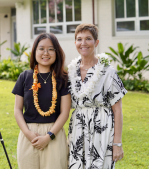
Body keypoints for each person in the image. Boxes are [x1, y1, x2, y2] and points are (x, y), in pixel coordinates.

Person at [67, 23, 127, 169]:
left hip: (102, 129)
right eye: (79, 39)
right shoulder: (70, 71)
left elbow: (117, 110)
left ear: (96, 42)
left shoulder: (108, 71)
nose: (83, 43)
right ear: (75, 42)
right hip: (77, 129)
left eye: (88, 39)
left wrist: (117, 143)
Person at [12, 33, 71, 169]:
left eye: (51, 49)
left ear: (57, 52)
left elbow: (64, 113)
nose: (46, 53)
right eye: (41, 48)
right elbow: (17, 109)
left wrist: (48, 136)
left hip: (54, 134)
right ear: (35, 52)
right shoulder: (25, 77)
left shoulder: (62, 79)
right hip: (28, 134)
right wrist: (28, 133)